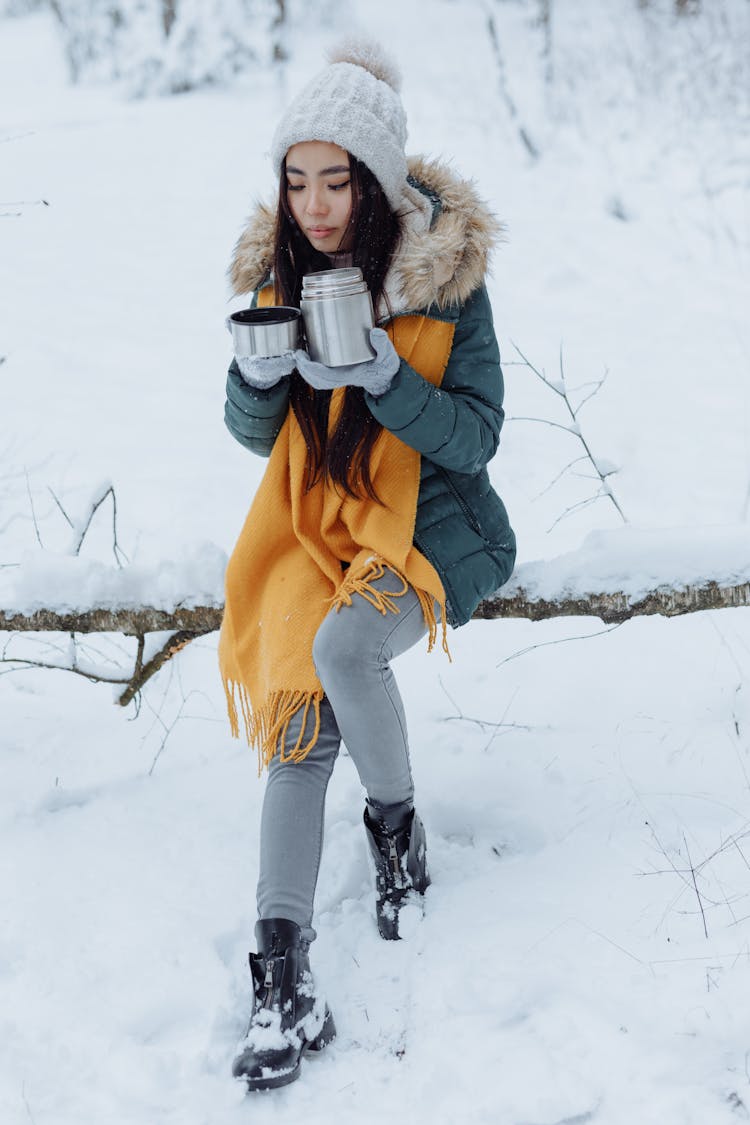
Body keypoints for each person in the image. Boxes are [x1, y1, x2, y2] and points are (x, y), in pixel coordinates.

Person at [219, 37, 516, 1091]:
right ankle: (280, 975)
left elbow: (477, 438)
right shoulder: (280, 271)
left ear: (376, 181)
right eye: (296, 180)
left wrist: (387, 377)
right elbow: (257, 436)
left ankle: (397, 833)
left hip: (435, 528)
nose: (314, 204)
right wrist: (261, 380)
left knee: (346, 648)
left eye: (335, 179)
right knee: (299, 726)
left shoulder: (444, 285)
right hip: (321, 524)